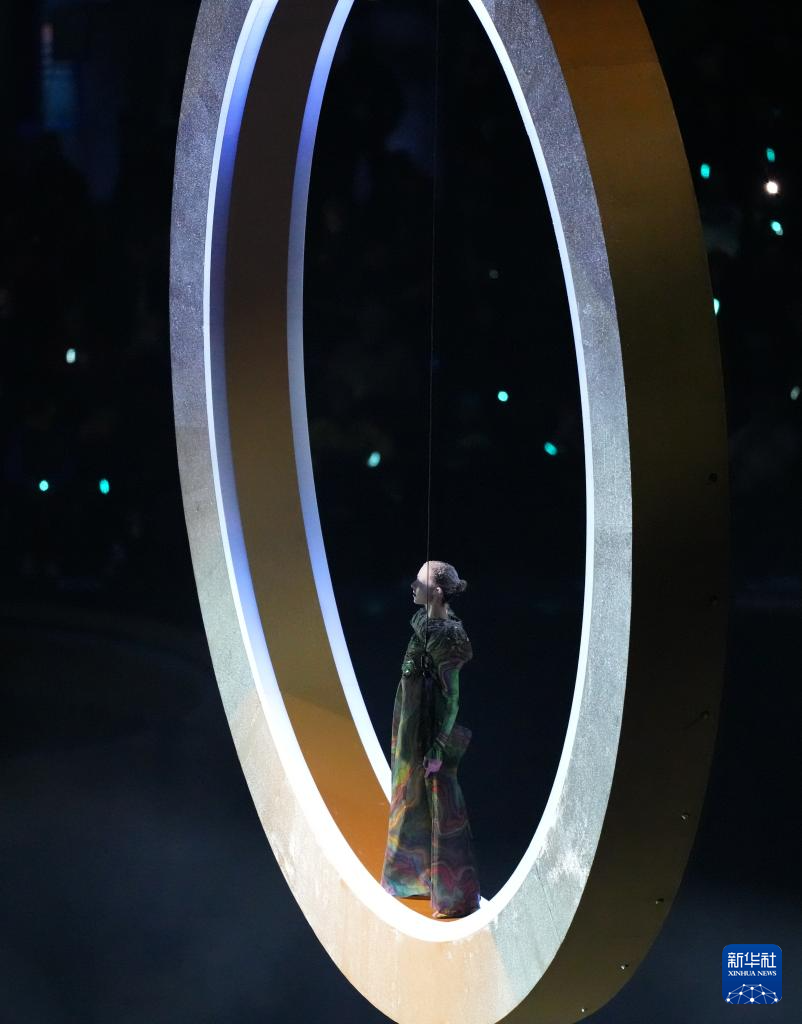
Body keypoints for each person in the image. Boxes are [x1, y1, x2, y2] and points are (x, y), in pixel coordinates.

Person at [380, 560, 481, 918]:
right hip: (410, 723)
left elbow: (452, 698)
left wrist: (438, 745)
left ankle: (452, 894)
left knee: (438, 802)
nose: (412, 586)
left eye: (419, 582)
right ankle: (413, 878)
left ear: (436, 592)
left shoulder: (448, 636)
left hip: (426, 727)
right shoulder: (426, 623)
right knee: (411, 798)